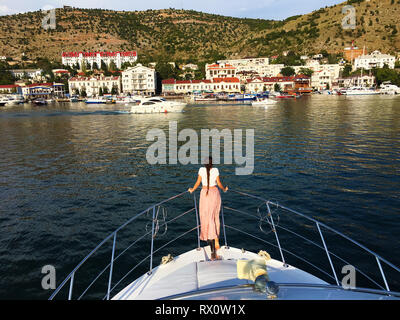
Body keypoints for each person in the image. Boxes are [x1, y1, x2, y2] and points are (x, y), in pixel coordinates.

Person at [188, 157, 228, 260]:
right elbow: (219, 183)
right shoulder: (215, 170)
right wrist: (224, 189)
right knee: (215, 218)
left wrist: (192, 189)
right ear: (212, 163)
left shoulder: (201, 170)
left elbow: (198, 182)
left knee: (206, 218)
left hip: (204, 195)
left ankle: (212, 246)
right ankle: (216, 241)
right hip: (214, 194)